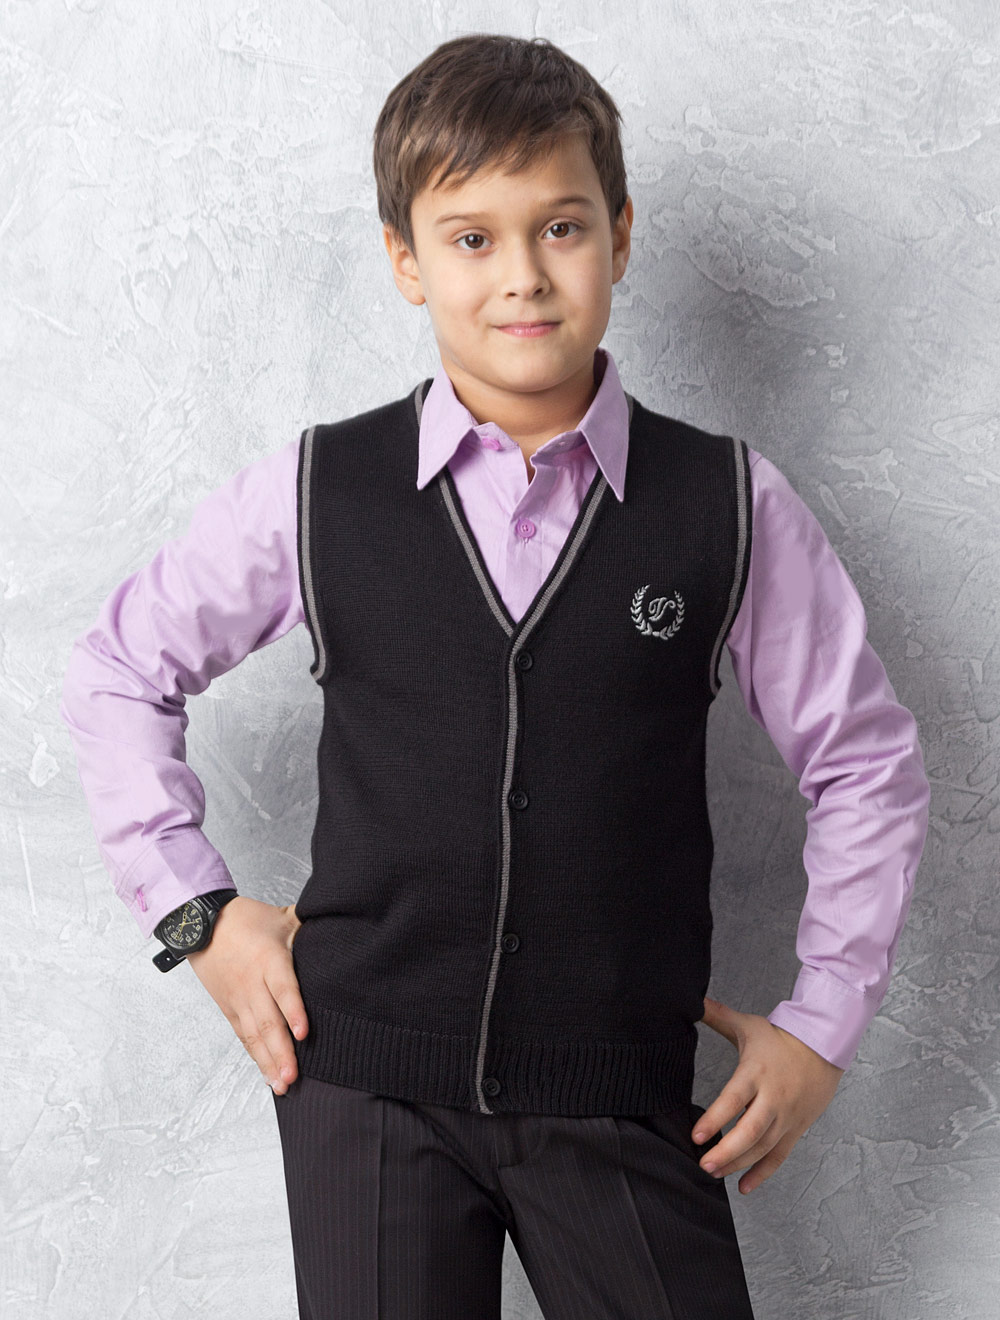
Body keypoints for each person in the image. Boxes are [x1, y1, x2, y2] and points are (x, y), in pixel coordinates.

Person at [59, 31, 931, 1320]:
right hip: (362, 1091)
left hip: (619, 1091)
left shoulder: (730, 506)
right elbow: (118, 672)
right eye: (471, 237)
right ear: (407, 259)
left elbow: (866, 765)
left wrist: (823, 1023)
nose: (522, 274)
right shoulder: (318, 491)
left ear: (619, 237)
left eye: (561, 228)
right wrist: (197, 914)